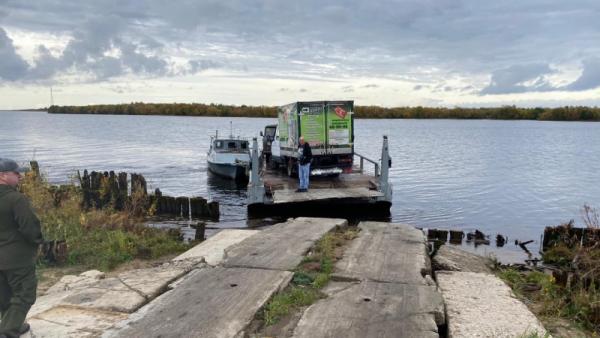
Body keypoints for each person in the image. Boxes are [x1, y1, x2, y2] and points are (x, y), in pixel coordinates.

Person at [0, 159, 42, 338]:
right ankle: (7, 331)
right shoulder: (16, 199)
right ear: (3, 175)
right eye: (16, 173)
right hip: (16, 257)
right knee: (25, 292)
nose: (20, 176)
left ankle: (12, 324)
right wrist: (38, 242)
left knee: (5, 294)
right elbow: (30, 227)